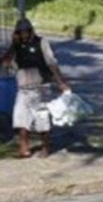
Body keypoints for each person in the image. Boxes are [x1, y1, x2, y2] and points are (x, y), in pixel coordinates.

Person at [1, 18, 70, 157]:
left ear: (31, 31)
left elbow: (51, 63)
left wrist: (60, 82)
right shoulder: (17, 45)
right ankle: (24, 149)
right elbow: (6, 62)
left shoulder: (41, 42)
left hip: (41, 87)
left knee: (42, 120)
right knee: (20, 119)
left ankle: (45, 148)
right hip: (23, 88)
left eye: (26, 32)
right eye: (20, 33)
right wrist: (10, 51)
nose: (23, 35)